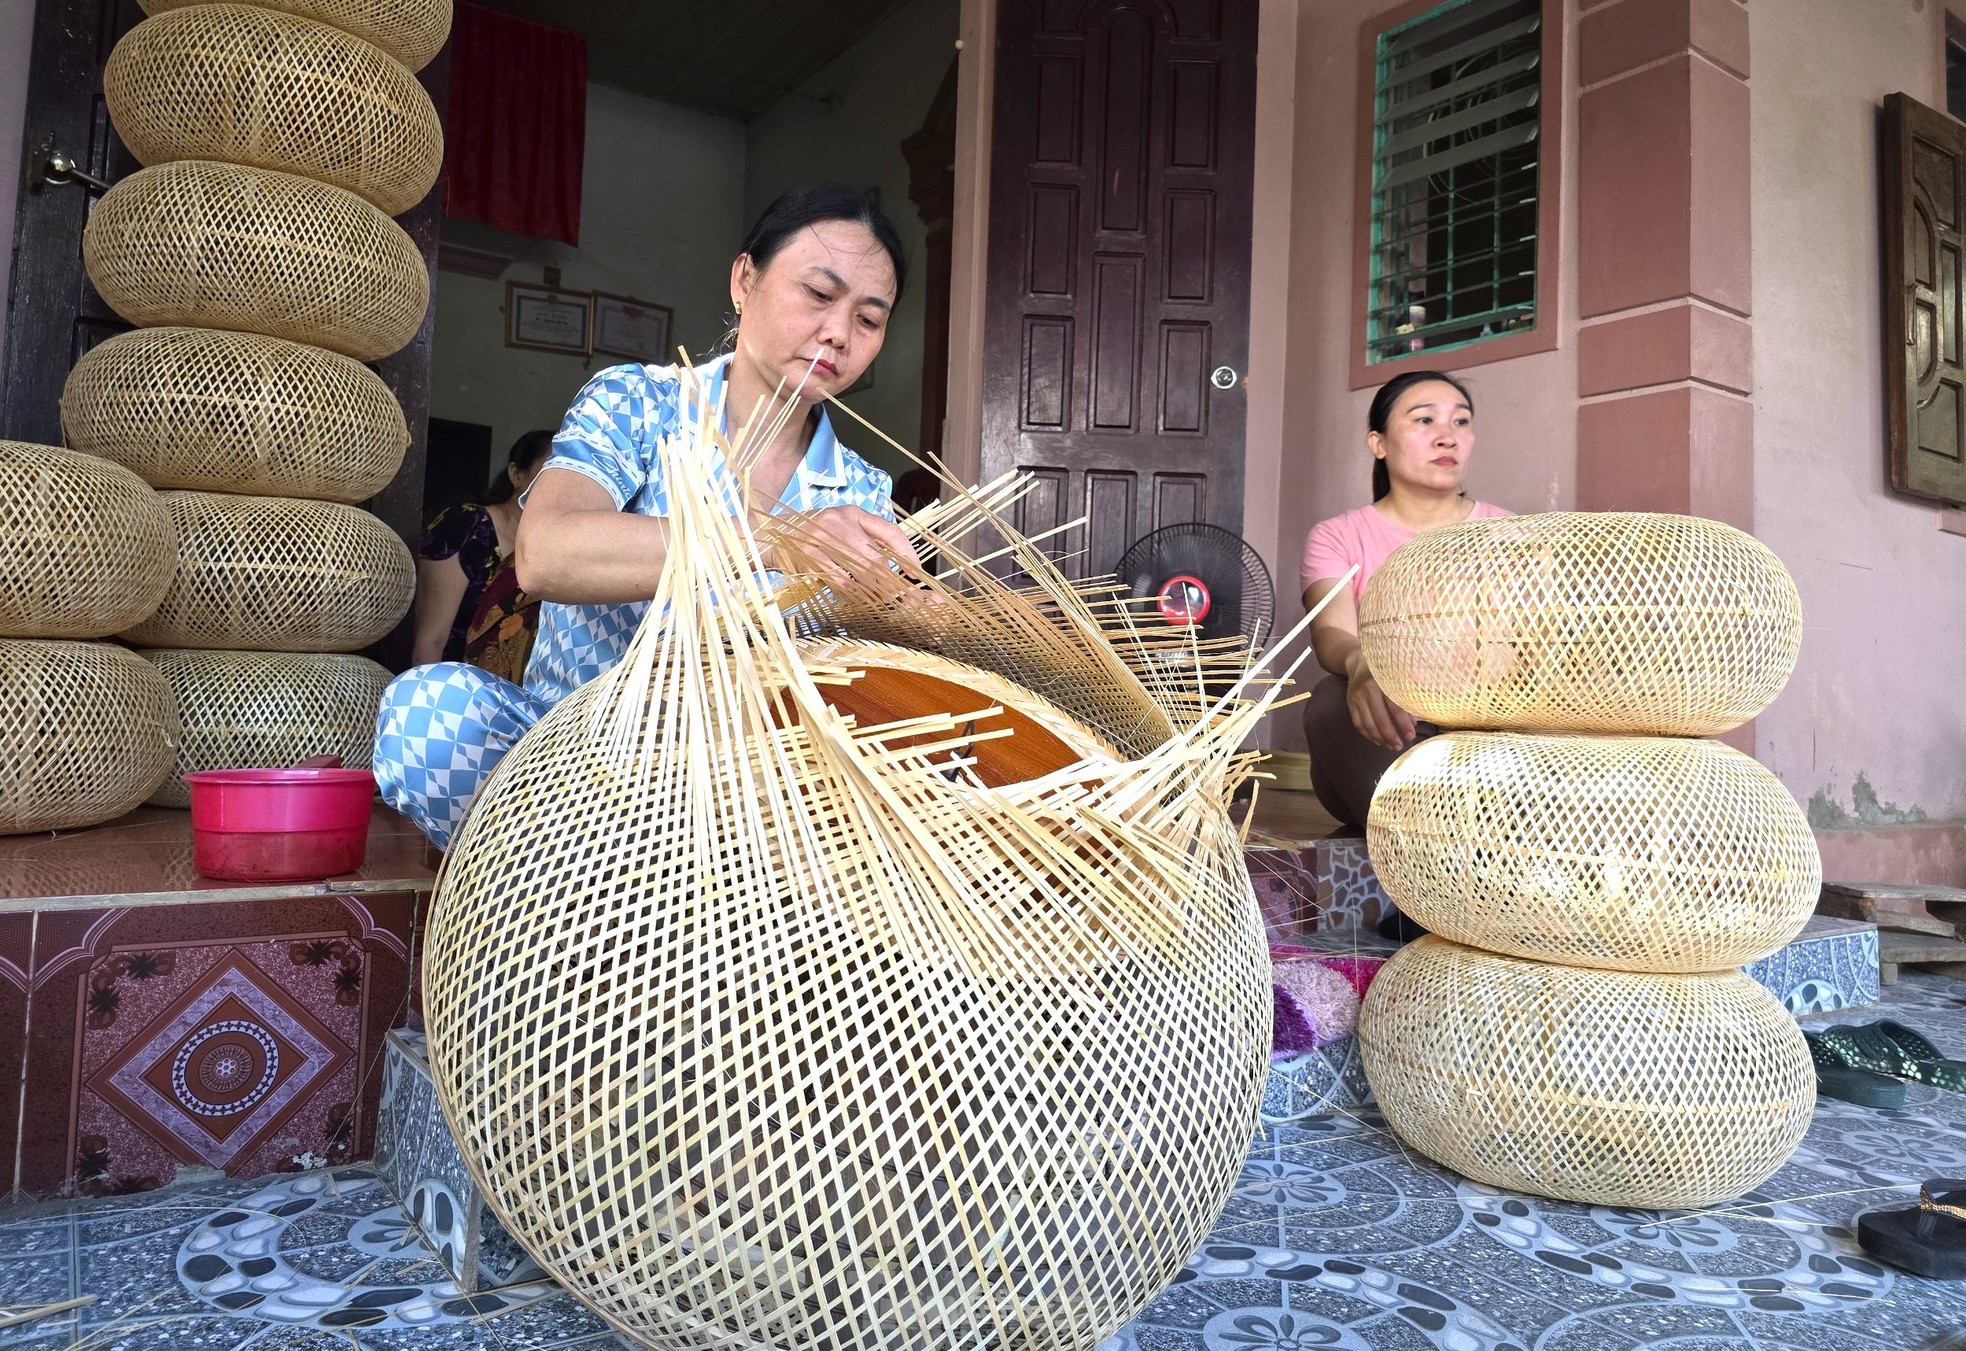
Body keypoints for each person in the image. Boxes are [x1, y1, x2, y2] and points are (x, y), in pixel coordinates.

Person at [375, 184, 919, 848]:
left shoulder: (860, 490)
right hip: (567, 783)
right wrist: (773, 540)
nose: (838, 332)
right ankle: (554, 890)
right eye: (818, 294)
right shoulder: (639, 405)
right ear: (744, 278)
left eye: (869, 319)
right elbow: (545, 553)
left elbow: (861, 682)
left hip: (740, 814)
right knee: (428, 715)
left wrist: (923, 621)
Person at [1300, 371, 1512, 834]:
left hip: (1488, 735)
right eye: (1424, 421)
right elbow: (1332, 633)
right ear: (1378, 443)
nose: (1447, 437)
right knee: (1332, 697)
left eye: (1460, 422)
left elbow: (1534, 642)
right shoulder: (1338, 536)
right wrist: (1361, 664)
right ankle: (1428, 847)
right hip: (1390, 729)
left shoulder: (1510, 534)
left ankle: (1442, 854)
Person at [409, 430, 552, 677]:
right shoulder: (466, 524)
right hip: (453, 689)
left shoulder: (554, 546)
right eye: (550, 471)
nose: (561, 484)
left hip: (514, 698)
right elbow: (430, 641)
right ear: (516, 474)